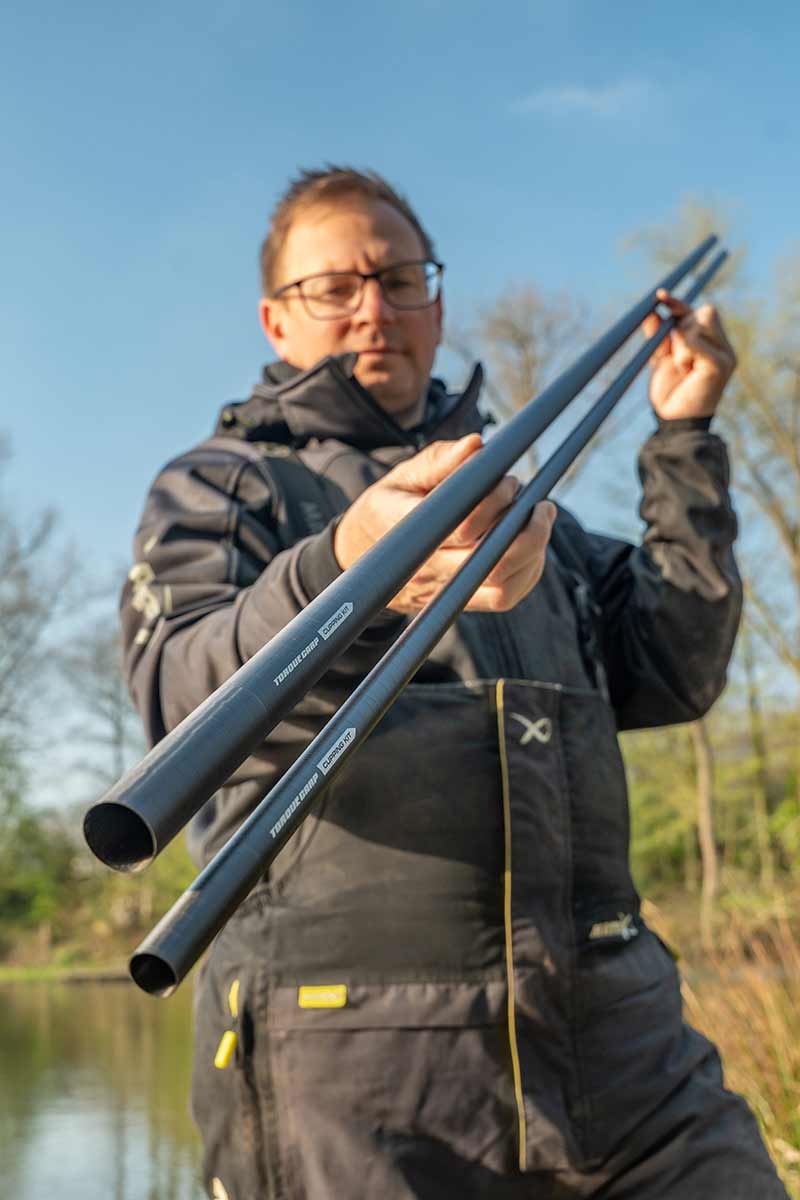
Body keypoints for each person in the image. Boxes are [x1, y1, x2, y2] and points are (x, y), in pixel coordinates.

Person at [121, 167, 788, 1200]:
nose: (374, 309)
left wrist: (684, 439)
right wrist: (348, 568)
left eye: (401, 279)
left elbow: (677, 668)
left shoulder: (529, 511)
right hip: (345, 1069)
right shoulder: (220, 485)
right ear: (274, 318)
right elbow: (180, 698)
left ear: (436, 303)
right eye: (333, 287)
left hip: (621, 1043)